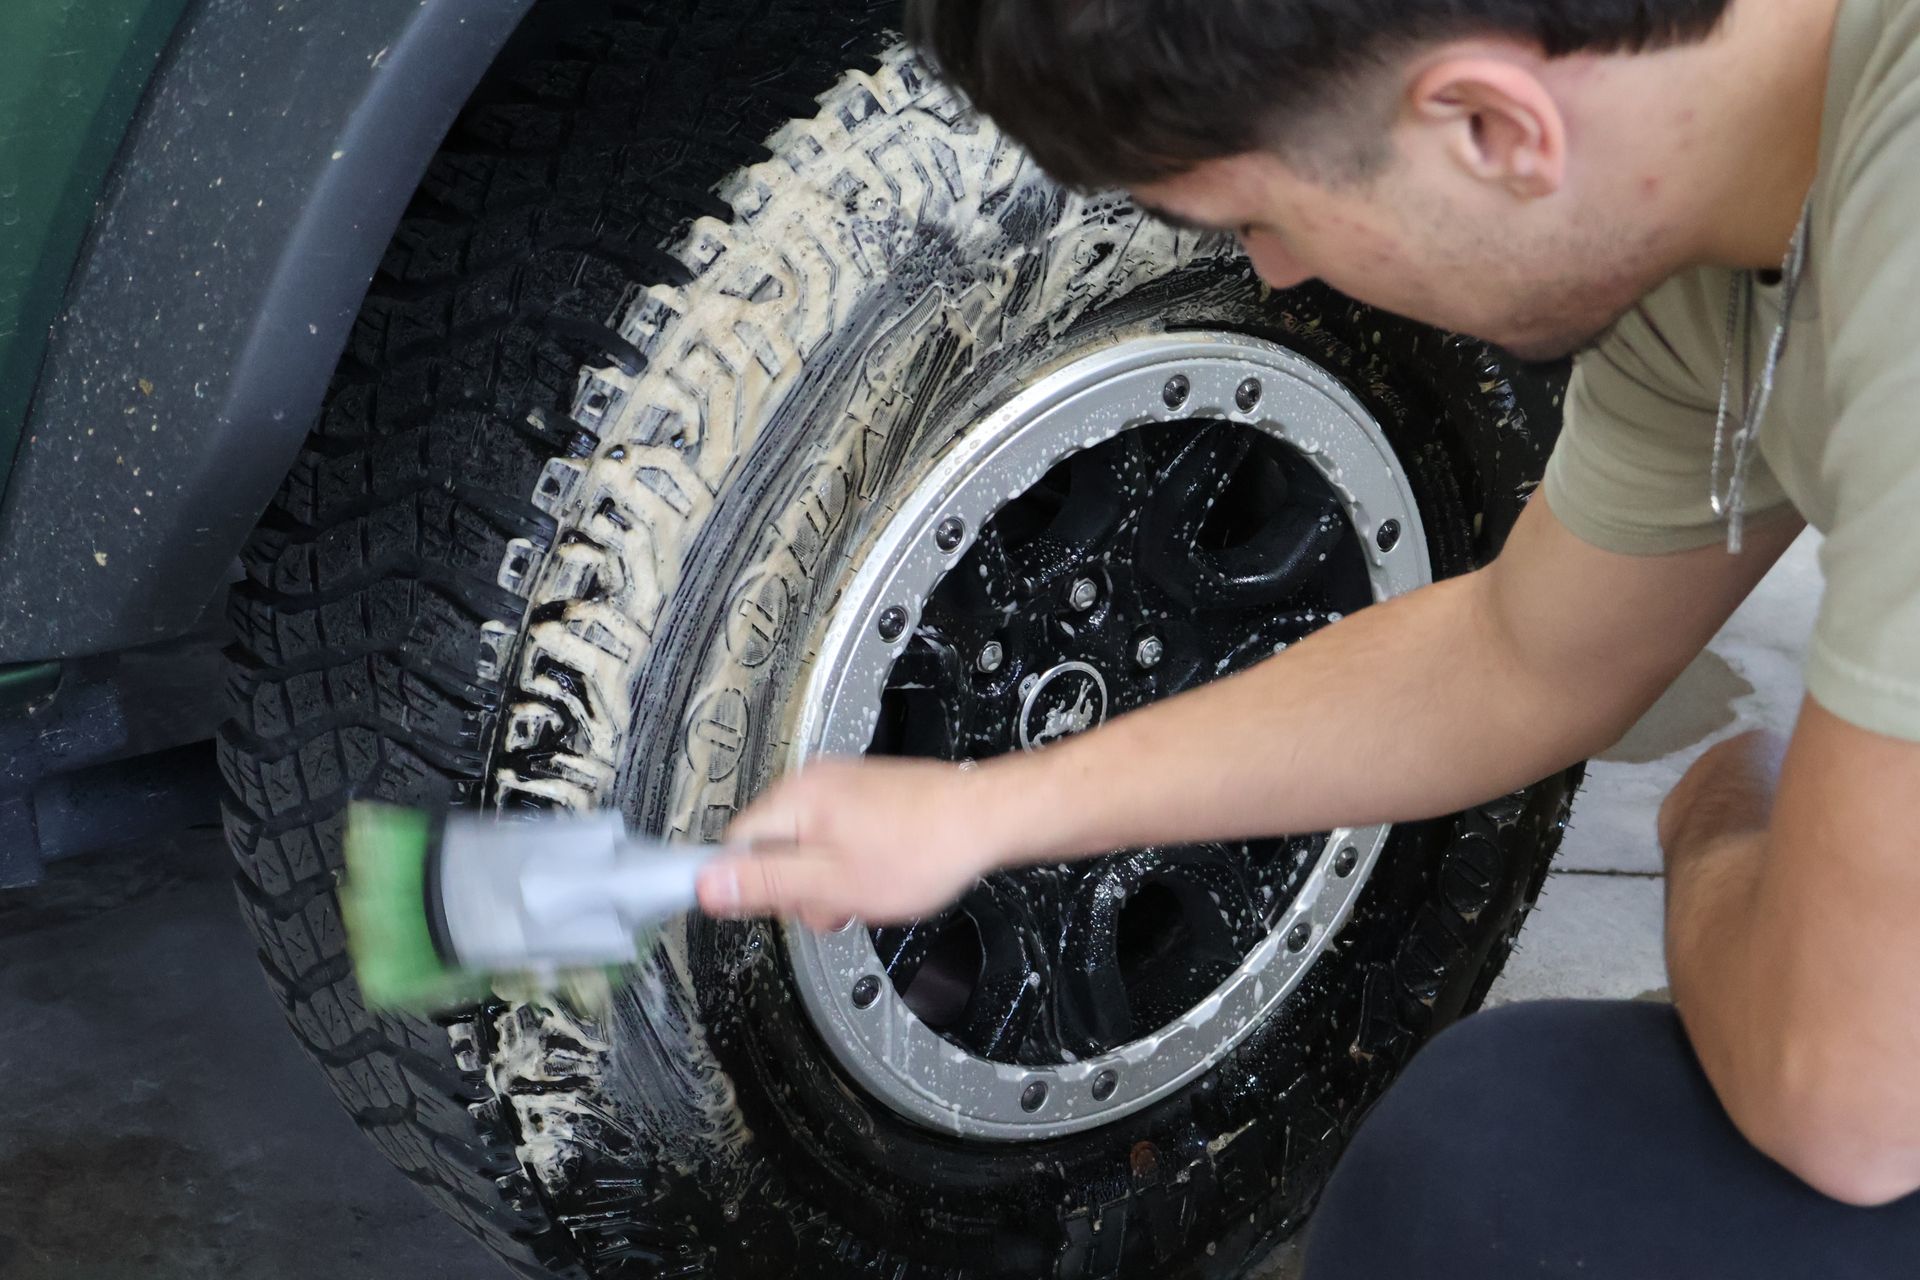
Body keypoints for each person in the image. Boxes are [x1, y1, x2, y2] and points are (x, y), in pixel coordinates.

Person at [695, 0, 1920, 1272]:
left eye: (1258, 219)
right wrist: (984, 814)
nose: (1275, 273)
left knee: (1514, 1179)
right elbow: (1517, 657)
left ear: (1492, 126)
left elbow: (1842, 1092)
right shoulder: (1713, 251)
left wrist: (1720, 822)